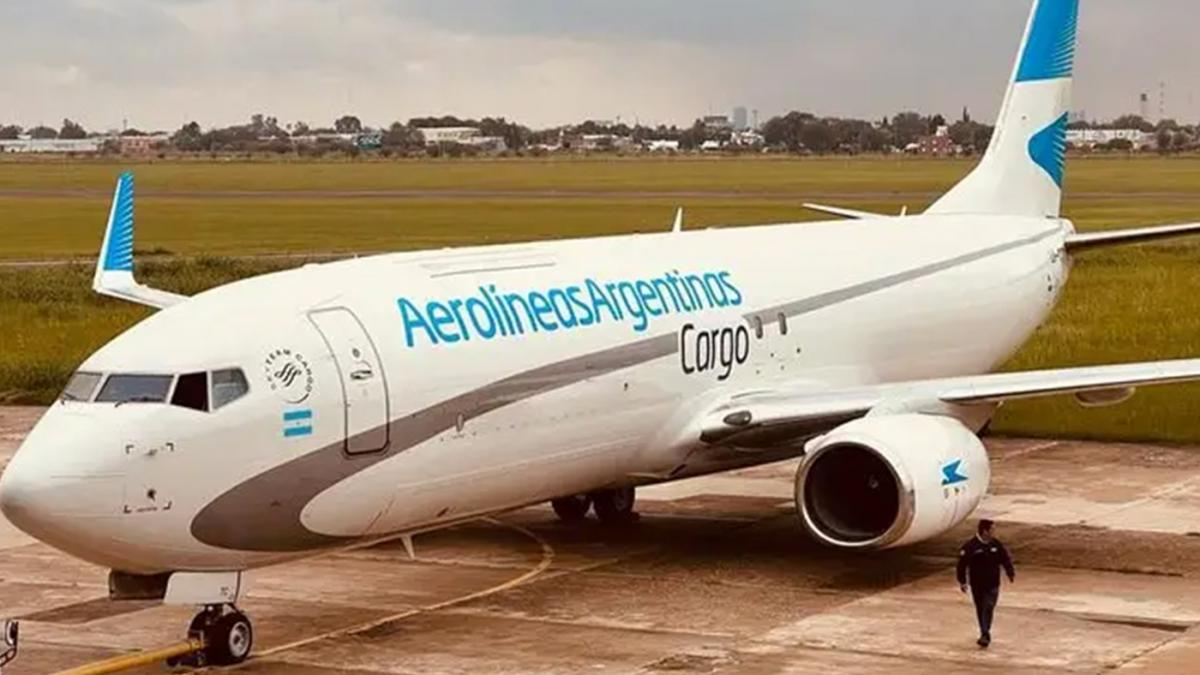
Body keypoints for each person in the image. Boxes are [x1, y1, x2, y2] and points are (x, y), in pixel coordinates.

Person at [956, 519, 1015, 648]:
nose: (994, 532)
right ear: (985, 531)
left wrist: (1010, 572)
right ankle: (985, 633)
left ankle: (985, 634)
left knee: (988, 606)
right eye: (992, 529)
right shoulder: (971, 546)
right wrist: (962, 581)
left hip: (993, 583)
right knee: (981, 608)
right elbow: (962, 565)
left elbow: (1005, 558)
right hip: (977, 585)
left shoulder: (995, 544)